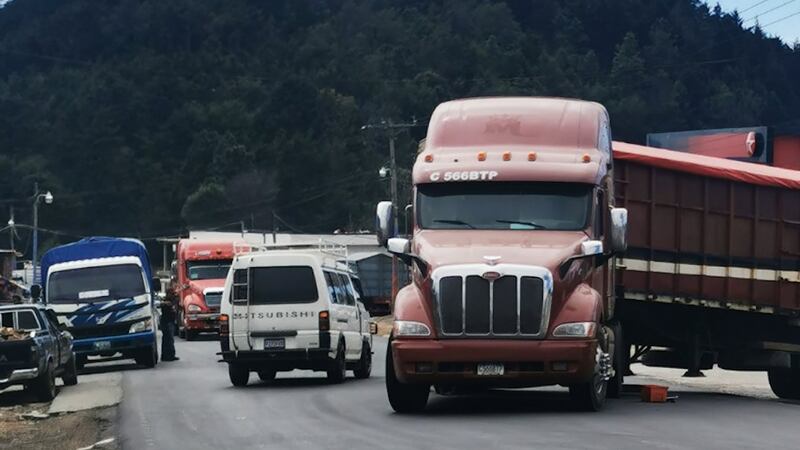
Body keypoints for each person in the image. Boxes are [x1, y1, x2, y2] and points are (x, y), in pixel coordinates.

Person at [160, 293, 179, 362]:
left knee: (168, 340)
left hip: (168, 323)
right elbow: (165, 304)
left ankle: (169, 355)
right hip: (167, 323)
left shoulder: (169, 304)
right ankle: (168, 356)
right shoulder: (166, 304)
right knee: (168, 340)